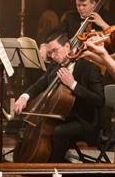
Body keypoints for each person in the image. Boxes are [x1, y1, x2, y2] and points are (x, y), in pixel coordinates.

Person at [14, 31, 104, 162]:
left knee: (58, 132)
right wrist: (24, 96)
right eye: (50, 53)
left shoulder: (89, 68)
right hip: (60, 116)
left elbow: (99, 101)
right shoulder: (54, 67)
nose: (53, 56)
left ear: (67, 47)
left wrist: (73, 84)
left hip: (84, 120)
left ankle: (54, 166)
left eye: (55, 51)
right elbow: (39, 85)